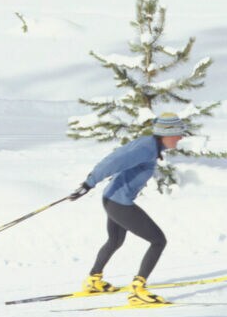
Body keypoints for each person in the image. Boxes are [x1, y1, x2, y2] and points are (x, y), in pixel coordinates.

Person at [68, 113, 188, 306]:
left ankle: (93, 280)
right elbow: (113, 161)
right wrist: (89, 183)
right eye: (178, 133)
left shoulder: (150, 145)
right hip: (119, 203)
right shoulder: (145, 148)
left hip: (112, 199)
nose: (181, 137)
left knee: (115, 240)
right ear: (167, 133)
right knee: (158, 241)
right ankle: (137, 290)